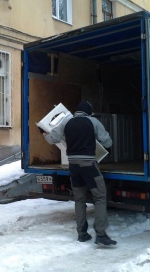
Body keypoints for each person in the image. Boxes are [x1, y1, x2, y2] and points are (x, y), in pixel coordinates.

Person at [42, 101, 117, 246]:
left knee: (79, 199)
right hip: (89, 165)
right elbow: (107, 142)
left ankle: (82, 234)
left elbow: (53, 139)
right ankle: (101, 234)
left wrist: (45, 134)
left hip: (73, 166)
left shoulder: (66, 122)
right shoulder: (93, 121)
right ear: (89, 112)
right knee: (100, 196)